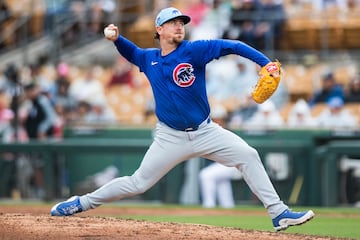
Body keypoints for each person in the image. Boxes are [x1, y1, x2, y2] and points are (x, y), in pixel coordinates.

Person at [50, 7, 314, 231]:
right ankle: (81, 202)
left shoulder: (195, 50)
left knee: (248, 155)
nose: (179, 27)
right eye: (172, 23)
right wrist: (117, 39)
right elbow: (131, 53)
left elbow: (233, 45)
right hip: (170, 137)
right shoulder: (149, 59)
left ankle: (278, 212)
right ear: (159, 30)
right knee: (137, 183)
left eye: (181, 23)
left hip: (206, 131)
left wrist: (265, 62)